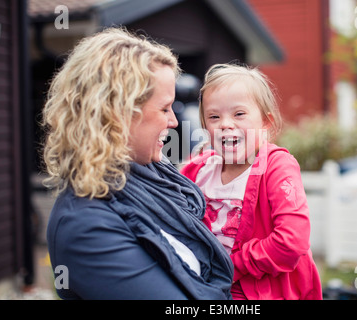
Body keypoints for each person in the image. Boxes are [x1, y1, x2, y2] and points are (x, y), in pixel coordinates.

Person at [41, 28, 233, 300]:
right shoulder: (84, 226)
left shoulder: (151, 180)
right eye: (164, 108)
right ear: (118, 114)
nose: (174, 122)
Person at [180, 63, 322, 300]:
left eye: (239, 114)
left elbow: (291, 242)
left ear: (265, 122)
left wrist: (229, 266)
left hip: (264, 290)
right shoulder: (197, 170)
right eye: (214, 117)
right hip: (207, 285)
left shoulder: (277, 167)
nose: (225, 124)